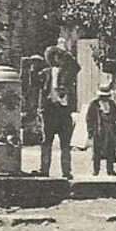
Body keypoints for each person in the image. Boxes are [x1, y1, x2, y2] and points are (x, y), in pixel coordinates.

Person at [37, 42, 81, 178]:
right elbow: (33, 84)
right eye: (55, 56)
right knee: (46, 142)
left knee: (65, 144)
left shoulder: (67, 72)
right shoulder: (45, 73)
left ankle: (66, 172)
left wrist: (65, 53)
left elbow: (76, 66)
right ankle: (44, 170)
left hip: (63, 111)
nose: (58, 59)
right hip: (49, 110)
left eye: (58, 56)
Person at [83, 82, 116, 176]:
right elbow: (89, 118)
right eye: (103, 96)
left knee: (110, 149)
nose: (105, 98)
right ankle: (96, 170)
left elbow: (115, 115)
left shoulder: (111, 104)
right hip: (99, 129)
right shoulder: (94, 104)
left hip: (110, 129)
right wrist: (90, 130)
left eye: (107, 96)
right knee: (97, 150)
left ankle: (110, 170)